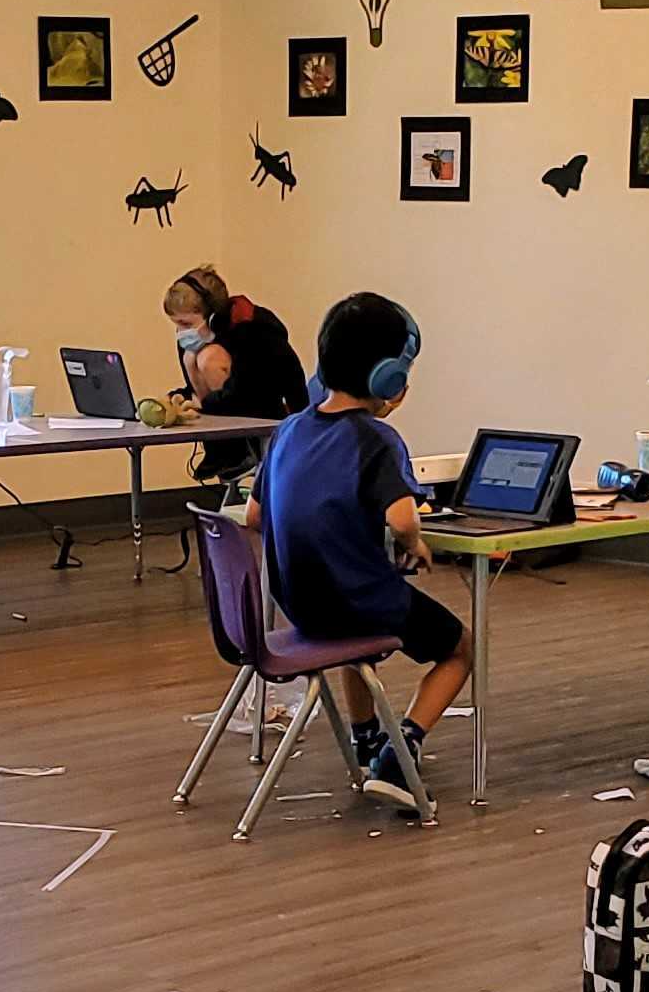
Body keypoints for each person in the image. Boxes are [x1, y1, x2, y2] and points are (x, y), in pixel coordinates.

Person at [249, 289, 472, 816]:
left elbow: (256, 517)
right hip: (361, 602)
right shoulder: (377, 439)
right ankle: (402, 748)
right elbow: (401, 517)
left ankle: (367, 736)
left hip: (302, 610)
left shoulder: (288, 431)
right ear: (390, 380)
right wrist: (414, 543)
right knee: (460, 647)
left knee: (355, 644)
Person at [164, 265, 307, 488]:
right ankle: (222, 451)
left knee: (206, 358)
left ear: (211, 318)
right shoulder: (196, 344)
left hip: (264, 406)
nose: (181, 333)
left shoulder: (253, 328)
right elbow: (196, 387)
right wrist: (179, 399)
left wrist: (200, 405)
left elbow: (249, 386)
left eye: (185, 324)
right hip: (228, 403)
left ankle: (242, 453)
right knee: (192, 358)